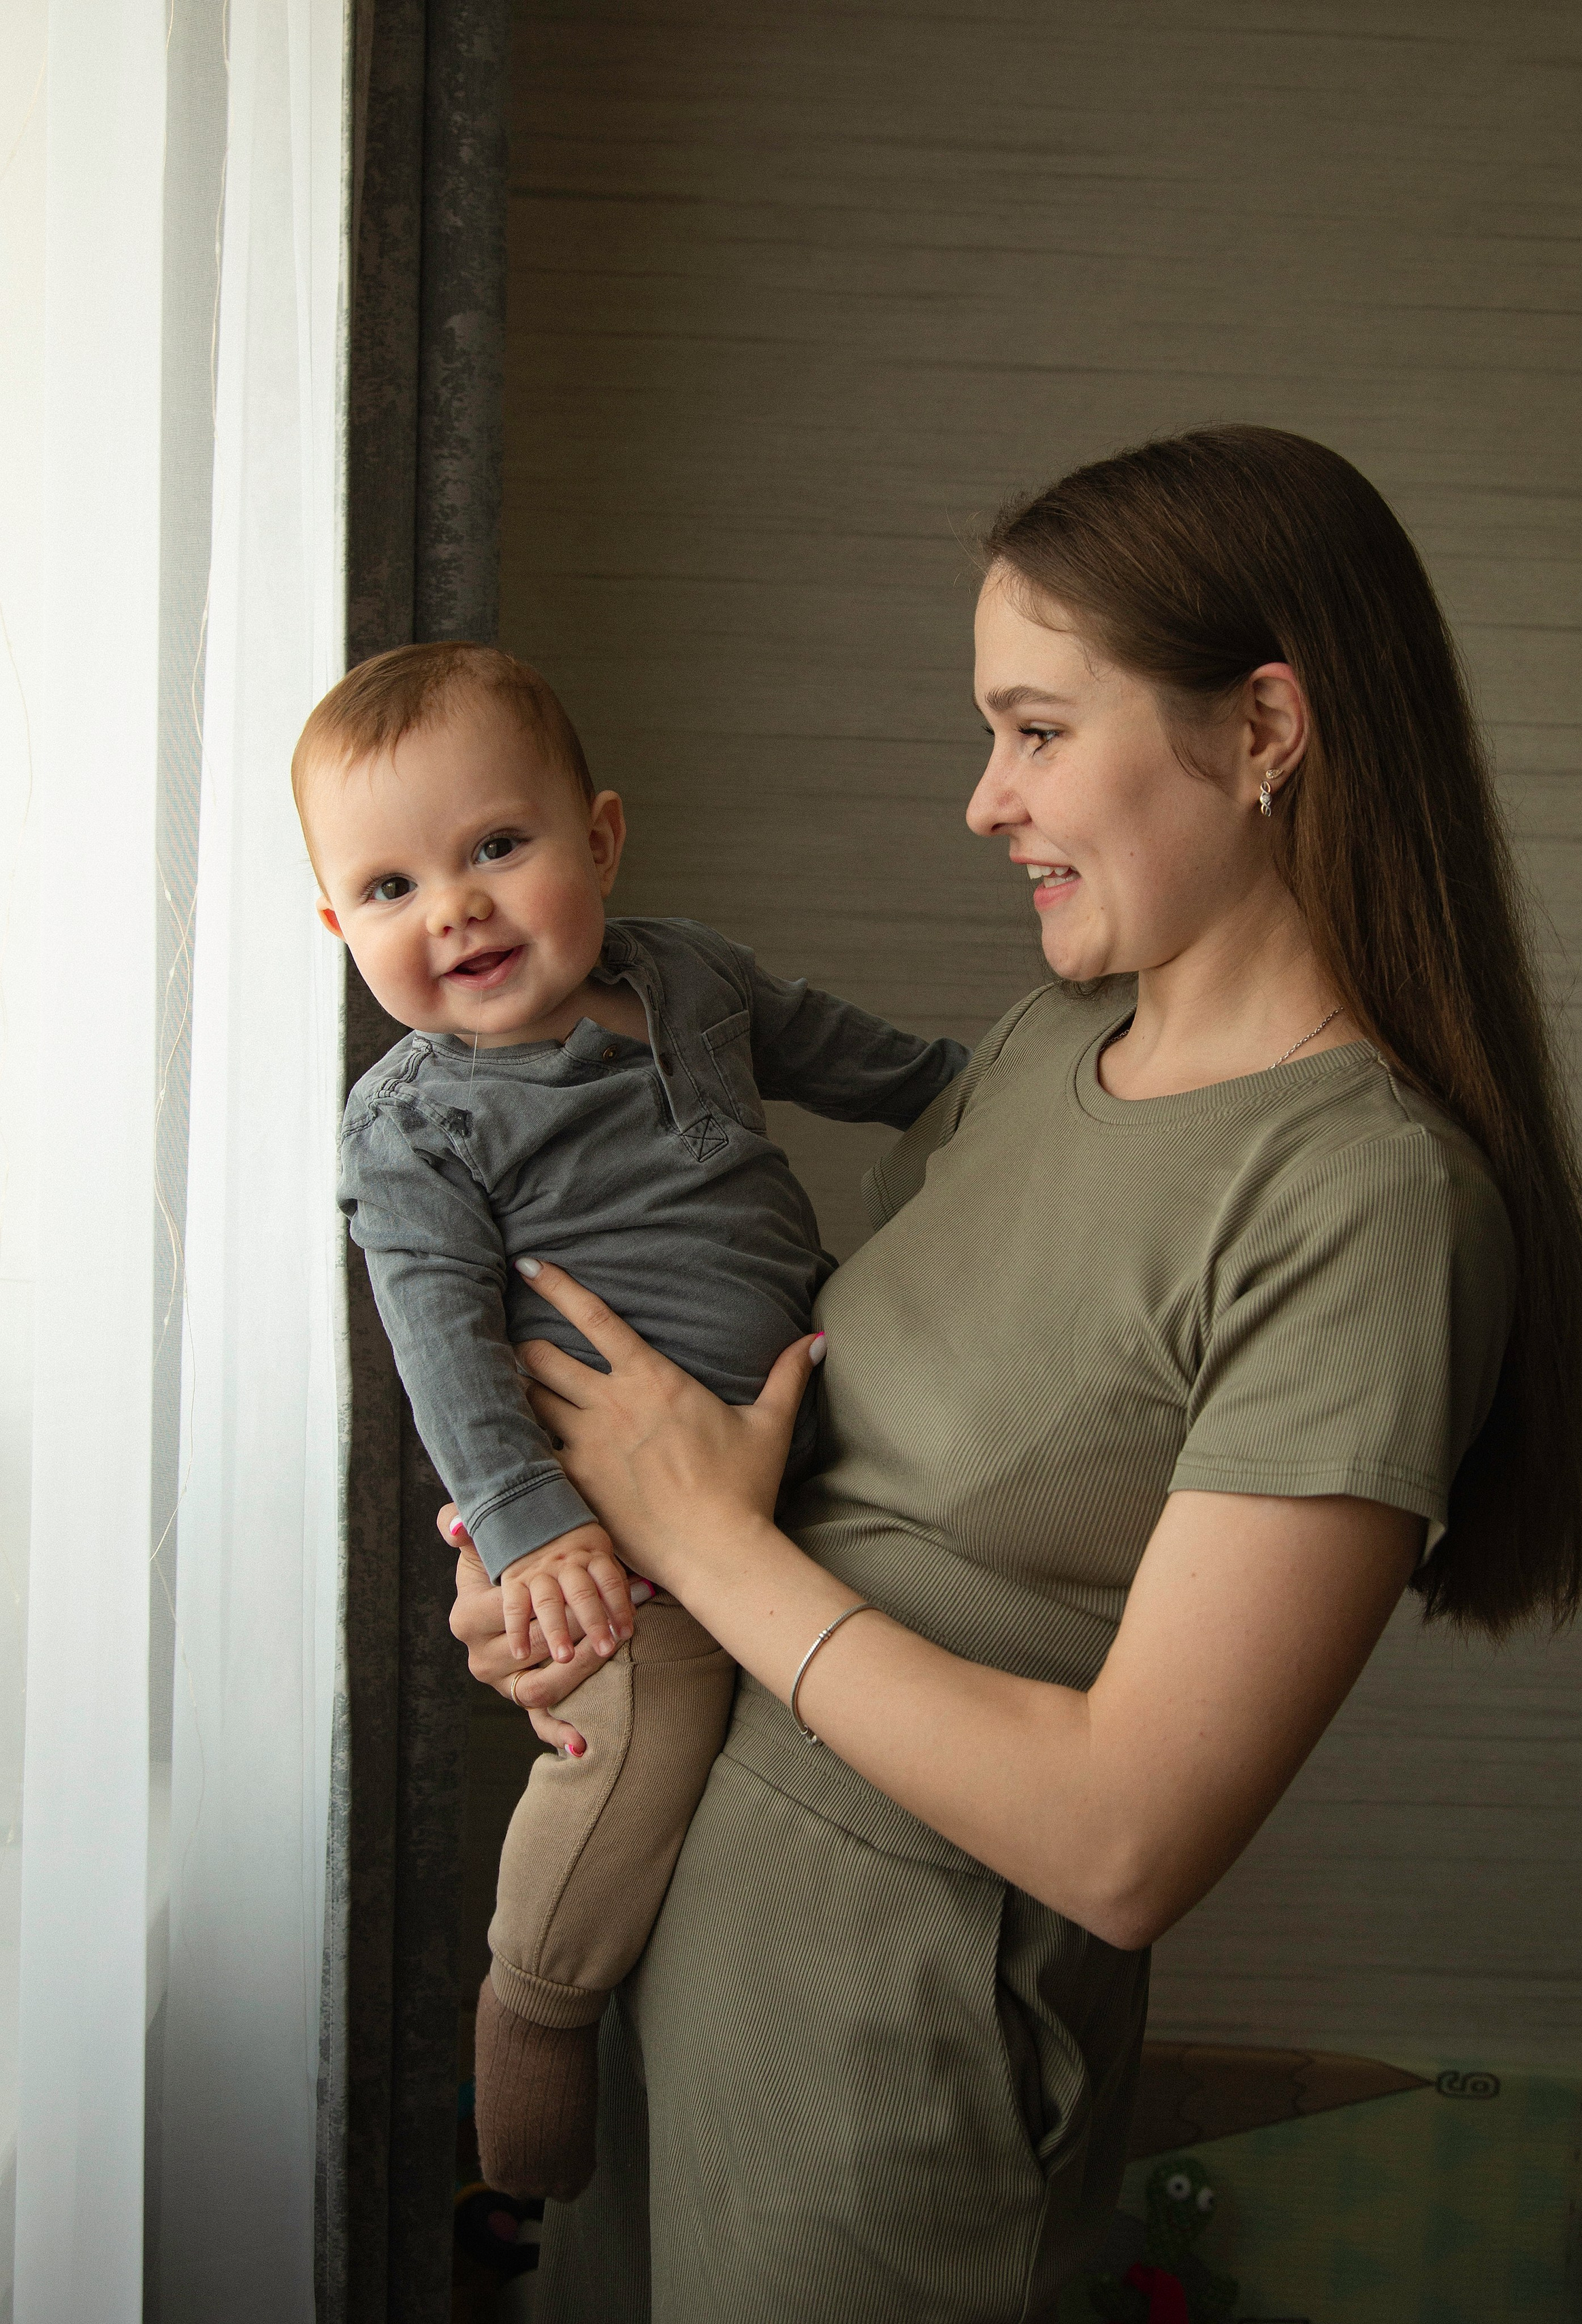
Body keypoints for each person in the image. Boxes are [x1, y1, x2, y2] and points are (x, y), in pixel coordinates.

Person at [449, 426, 1582, 2324]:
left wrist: (714, 1540)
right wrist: (576, 1568)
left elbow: (1129, 1834)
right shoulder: (1040, 1045)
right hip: (689, 1984)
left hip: (887, 2098)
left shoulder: (1368, 1200)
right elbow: (807, 1437)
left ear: (1264, 726)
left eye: (1033, 727)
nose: (984, 800)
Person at [294, 642, 967, 2199]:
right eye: (386, 890)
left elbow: (879, 1066)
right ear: (338, 927)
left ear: (597, 839)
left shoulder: (695, 979)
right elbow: (441, 1347)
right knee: (627, 1754)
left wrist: (986, 1087)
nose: (450, 908)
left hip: (792, 1447)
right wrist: (532, 1529)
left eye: (495, 849)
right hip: (593, 1512)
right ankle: (535, 2011)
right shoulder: (417, 1125)